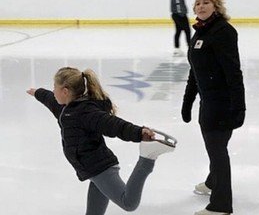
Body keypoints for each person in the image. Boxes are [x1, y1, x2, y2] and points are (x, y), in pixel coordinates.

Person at [26, 67, 175, 215]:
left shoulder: (86, 112)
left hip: (101, 169)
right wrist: (36, 92)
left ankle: (147, 158)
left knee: (128, 203)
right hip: (92, 170)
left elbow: (113, 125)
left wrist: (138, 132)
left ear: (65, 91)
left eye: (54, 87)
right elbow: (49, 99)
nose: (53, 91)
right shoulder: (65, 109)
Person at [181, 0, 246, 215]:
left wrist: (239, 107)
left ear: (216, 6)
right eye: (198, 3)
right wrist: (187, 101)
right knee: (215, 147)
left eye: (206, 2)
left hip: (221, 104)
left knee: (217, 151)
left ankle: (221, 204)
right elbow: (195, 70)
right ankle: (212, 182)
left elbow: (233, 72)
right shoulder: (201, 31)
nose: (201, 6)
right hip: (207, 103)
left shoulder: (223, 31)